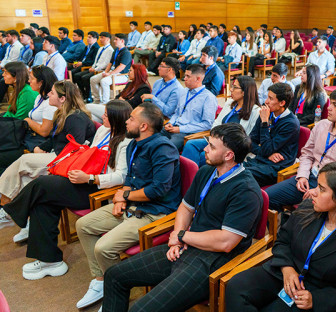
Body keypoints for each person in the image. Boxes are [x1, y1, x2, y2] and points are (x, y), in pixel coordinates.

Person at [101, 122, 261, 312]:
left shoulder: (246, 191)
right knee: (114, 275)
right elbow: (185, 208)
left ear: (228, 155)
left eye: (211, 146)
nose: (205, 149)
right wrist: (177, 238)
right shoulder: (207, 171)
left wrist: (182, 236)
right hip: (187, 244)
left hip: (211, 261)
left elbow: (225, 242)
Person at [226, 162, 336, 311]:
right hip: (284, 272)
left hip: (312, 291)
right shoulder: (309, 207)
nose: (313, 191)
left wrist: (315, 299)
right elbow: (282, 240)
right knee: (236, 287)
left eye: (321, 189)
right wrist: (287, 268)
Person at [2, 100, 132, 279]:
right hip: (84, 179)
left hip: (97, 189)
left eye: (107, 115)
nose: (102, 117)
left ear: (117, 119)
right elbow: (89, 155)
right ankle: (50, 261)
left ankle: (10, 213)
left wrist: (90, 178)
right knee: (42, 202)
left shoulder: (125, 142)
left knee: (42, 184)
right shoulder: (103, 130)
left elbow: (121, 177)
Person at [75, 102, 182, 310]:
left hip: (154, 213)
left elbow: (158, 190)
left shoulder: (163, 148)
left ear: (143, 126)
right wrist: (123, 197)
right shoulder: (133, 143)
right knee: (83, 225)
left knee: (103, 248)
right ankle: (101, 281)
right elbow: (130, 178)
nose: (126, 120)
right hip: (131, 205)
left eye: (131, 118)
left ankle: (116, 288)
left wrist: (124, 194)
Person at [266, 86, 336, 210]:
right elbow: (307, 154)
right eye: (330, 103)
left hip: (333, 189)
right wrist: (302, 175)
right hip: (309, 178)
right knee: (267, 198)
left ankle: (293, 222)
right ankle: (284, 221)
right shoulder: (321, 125)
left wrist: (319, 190)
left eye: (335, 105)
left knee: (301, 215)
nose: (329, 108)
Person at [0, 81, 96, 206]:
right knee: (25, 178)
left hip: (66, 161)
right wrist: (40, 147)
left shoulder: (75, 118)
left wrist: (55, 162)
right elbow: (54, 138)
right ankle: (11, 208)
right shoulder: (62, 113)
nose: (49, 94)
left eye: (52, 92)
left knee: (24, 161)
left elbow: (76, 149)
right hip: (59, 155)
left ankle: (5, 202)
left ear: (62, 98)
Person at [183, 76, 261, 167]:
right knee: (190, 144)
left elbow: (247, 139)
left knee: (202, 156)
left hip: (231, 147)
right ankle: (189, 178)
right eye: (232, 86)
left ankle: (195, 178)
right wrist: (215, 139)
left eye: (235, 87)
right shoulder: (230, 103)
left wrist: (221, 143)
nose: (231, 90)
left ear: (244, 92)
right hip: (217, 139)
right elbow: (217, 123)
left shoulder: (255, 112)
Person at [243, 82, 300, 186]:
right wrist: (267, 153)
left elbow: (267, 148)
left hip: (276, 166)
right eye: (267, 97)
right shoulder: (268, 113)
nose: (266, 102)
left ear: (282, 103)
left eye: (270, 99)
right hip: (262, 159)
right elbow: (249, 141)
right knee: (231, 167)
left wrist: (264, 122)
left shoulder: (291, 124)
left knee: (242, 175)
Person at [162, 64, 218, 151]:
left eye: (188, 76)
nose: (184, 79)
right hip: (173, 127)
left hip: (186, 133)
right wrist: (170, 123)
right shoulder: (184, 91)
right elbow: (177, 113)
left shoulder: (208, 98)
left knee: (165, 149)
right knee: (149, 138)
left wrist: (180, 129)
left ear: (198, 79)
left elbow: (207, 125)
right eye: (185, 75)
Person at [21, 65, 59, 152]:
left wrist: (28, 121)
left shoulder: (50, 103)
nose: (28, 81)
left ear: (40, 83)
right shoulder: (39, 97)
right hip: (34, 135)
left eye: (31, 78)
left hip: (41, 140)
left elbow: (44, 132)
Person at [89, 33, 132, 104]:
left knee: (104, 81)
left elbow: (121, 67)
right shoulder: (115, 50)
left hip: (122, 75)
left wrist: (110, 74)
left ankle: (105, 102)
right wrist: (105, 72)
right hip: (113, 72)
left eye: (116, 39)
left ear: (122, 41)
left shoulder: (126, 53)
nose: (114, 41)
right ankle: (97, 99)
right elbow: (110, 63)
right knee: (93, 79)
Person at [73, 32, 114, 103]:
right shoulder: (101, 48)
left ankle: (89, 97)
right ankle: (84, 94)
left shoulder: (110, 50)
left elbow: (106, 64)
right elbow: (95, 61)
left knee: (85, 77)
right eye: (100, 37)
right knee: (77, 76)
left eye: (102, 38)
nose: (100, 39)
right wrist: (92, 67)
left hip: (101, 70)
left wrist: (95, 69)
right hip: (94, 68)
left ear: (107, 39)